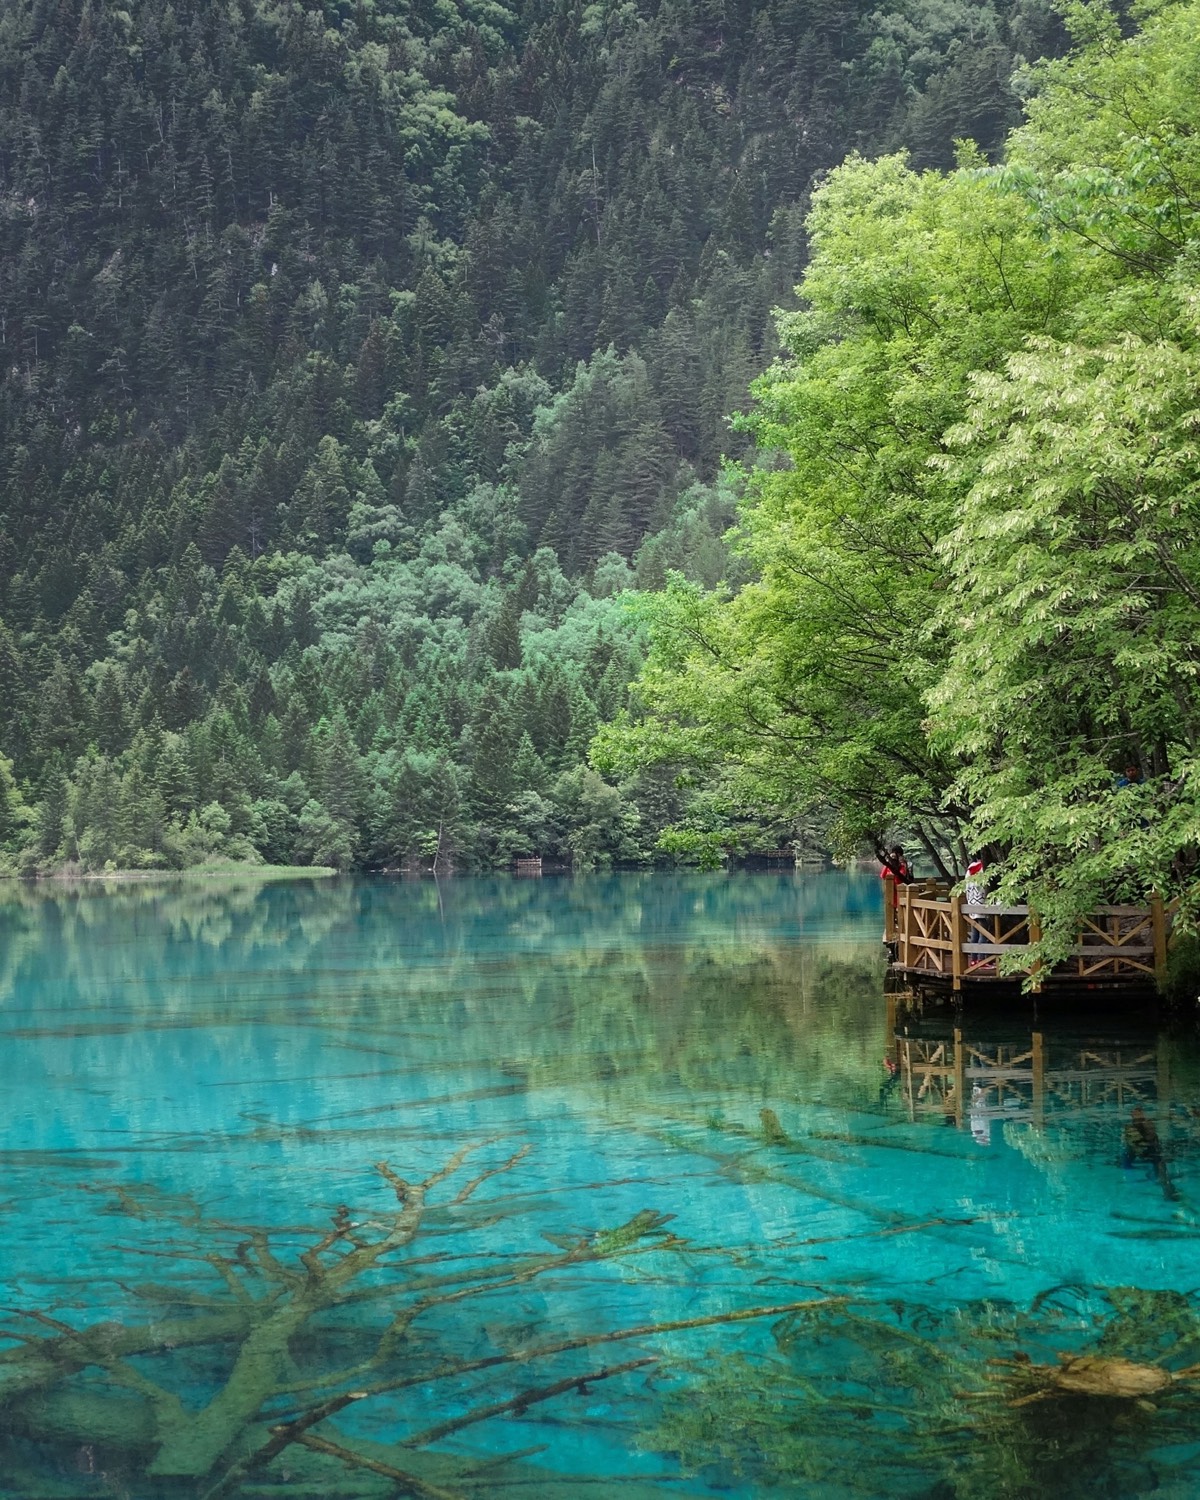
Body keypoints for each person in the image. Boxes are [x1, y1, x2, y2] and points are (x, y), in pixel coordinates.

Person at [1122, 1106, 1179, 1201]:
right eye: (1135, 1113)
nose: (1137, 1115)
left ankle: (1168, 1191)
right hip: (1137, 1150)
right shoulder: (1129, 1127)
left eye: (1139, 1113)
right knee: (1126, 1159)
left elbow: (1153, 1140)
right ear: (1132, 1115)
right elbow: (1130, 1144)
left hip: (1150, 1149)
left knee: (1160, 1167)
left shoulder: (1147, 1124)